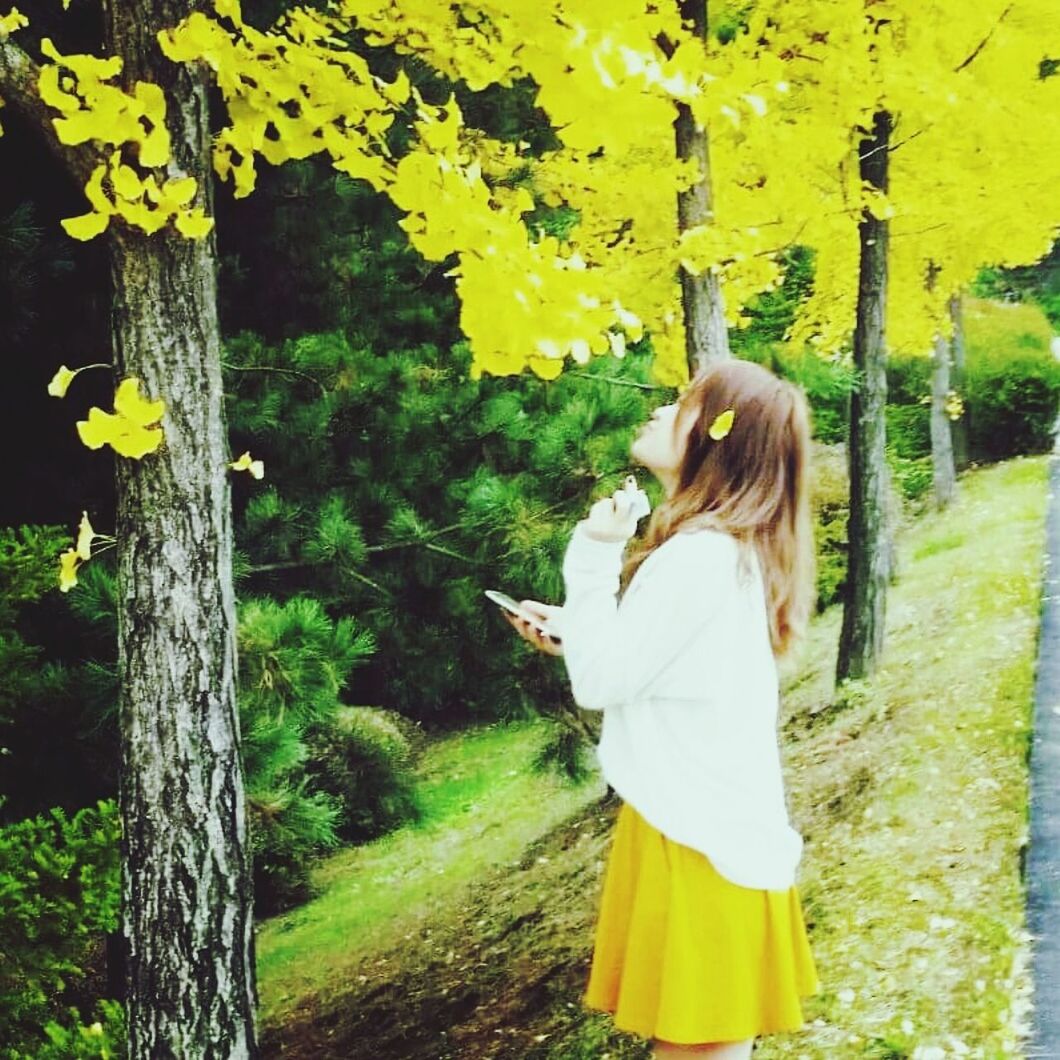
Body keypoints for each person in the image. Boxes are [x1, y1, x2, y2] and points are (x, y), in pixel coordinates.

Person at [503, 359, 820, 1058]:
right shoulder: (719, 552)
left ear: (713, 436)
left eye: (682, 404)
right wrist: (581, 634)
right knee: (705, 1046)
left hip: (699, 840)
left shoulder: (701, 558)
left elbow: (603, 681)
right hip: (704, 830)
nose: (659, 411)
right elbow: (646, 664)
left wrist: (593, 556)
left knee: (698, 1048)